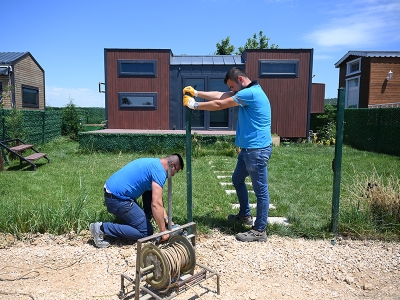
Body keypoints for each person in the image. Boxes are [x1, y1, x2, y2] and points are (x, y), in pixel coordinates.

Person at [183, 67, 272, 242]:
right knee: (237, 180)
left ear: (240, 79)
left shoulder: (251, 93)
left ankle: (259, 230)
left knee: (260, 191)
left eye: (232, 86)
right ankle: (245, 215)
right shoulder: (247, 92)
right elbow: (220, 96)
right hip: (248, 150)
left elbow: (220, 104)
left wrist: (194, 105)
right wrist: (196, 92)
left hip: (257, 150)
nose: (231, 90)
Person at [89, 153, 184, 248]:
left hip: (112, 192)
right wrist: (163, 232)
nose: (174, 174)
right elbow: (156, 204)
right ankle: (101, 228)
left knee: (150, 192)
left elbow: (158, 199)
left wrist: (166, 219)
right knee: (146, 232)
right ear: (172, 165)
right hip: (116, 199)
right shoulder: (160, 172)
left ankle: (142, 220)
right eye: (176, 171)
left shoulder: (154, 163)